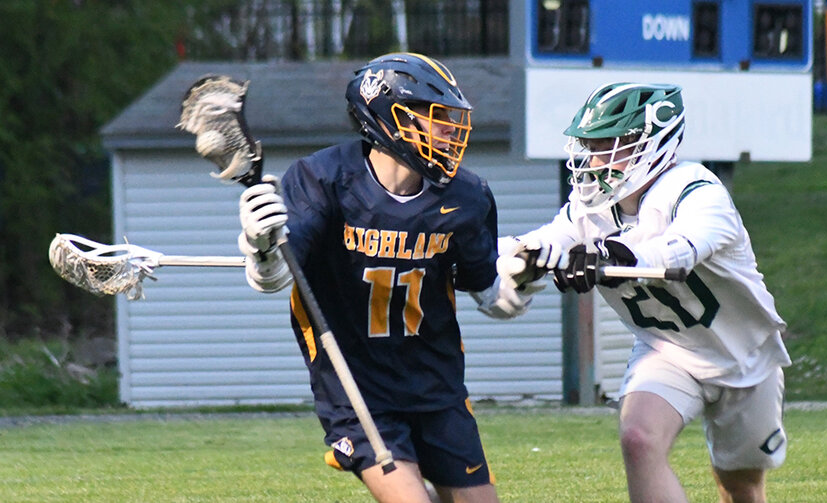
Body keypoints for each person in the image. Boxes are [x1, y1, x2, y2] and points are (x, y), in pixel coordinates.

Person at [236, 52, 542, 503]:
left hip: (437, 385)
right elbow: (278, 277)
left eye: (453, 120)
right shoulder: (322, 180)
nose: (450, 132)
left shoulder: (466, 196)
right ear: (386, 119)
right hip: (359, 390)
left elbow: (487, 290)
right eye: (437, 118)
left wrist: (519, 283)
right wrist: (260, 247)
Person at [497, 82, 791, 503]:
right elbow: (550, 238)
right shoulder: (590, 208)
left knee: (740, 486)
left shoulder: (697, 190)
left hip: (742, 352)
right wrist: (524, 257)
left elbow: (677, 251)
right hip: (667, 349)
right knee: (638, 440)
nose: (592, 160)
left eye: (607, 146)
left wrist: (605, 255)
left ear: (651, 143)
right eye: (589, 145)